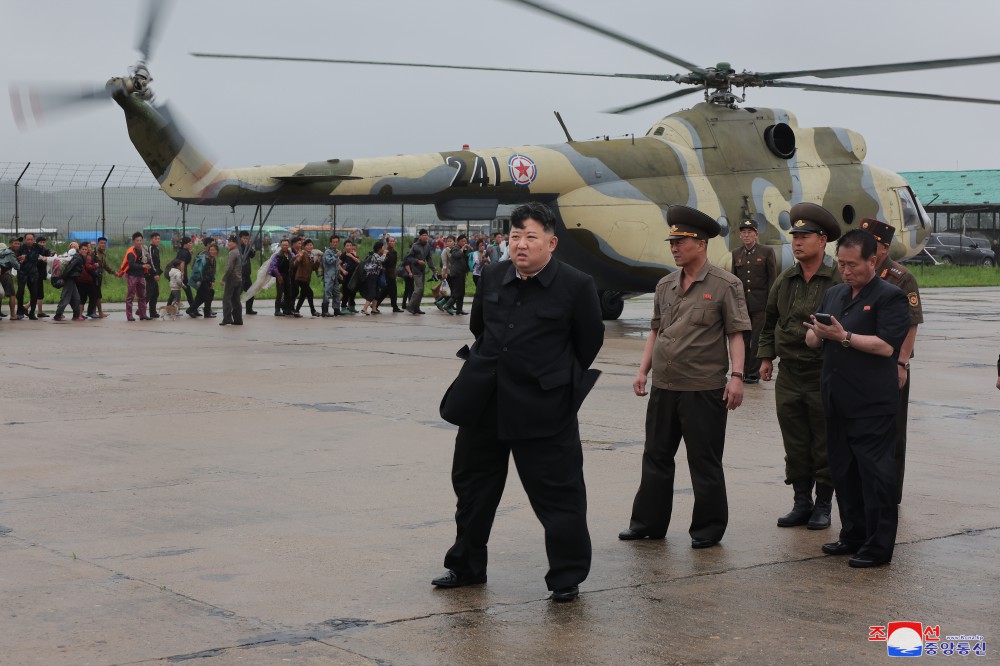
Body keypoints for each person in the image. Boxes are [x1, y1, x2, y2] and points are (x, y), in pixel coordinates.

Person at [432, 201, 604, 603]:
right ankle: (466, 566)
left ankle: (566, 576)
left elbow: (588, 344)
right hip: (484, 403)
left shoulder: (577, 285)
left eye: (530, 237)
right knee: (472, 490)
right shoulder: (492, 275)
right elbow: (480, 328)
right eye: (514, 237)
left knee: (559, 496)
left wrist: (550, 378)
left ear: (551, 241)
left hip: (543, 408)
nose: (521, 245)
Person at [619, 205, 750, 549]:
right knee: (656, 456)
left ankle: (707, 528)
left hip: (703, 389)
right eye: (672, 242)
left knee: (704, 461)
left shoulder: (726, 284)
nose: (674, 247)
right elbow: (655, 330)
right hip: (665, 385)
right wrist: (643, 370)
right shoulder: (665, 285)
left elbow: (736, 333)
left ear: (701, 243)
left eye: (681, 241)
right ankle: (647, 523)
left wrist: (736, 376)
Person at [806, 229, 909, 568]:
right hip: (837, 400)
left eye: (853, 265)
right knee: (844, 472)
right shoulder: (834, 293)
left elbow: (885, 346)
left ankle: (878, 547)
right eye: (842, 264)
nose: (846, 271)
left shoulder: (889, 296)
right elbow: (815, 340)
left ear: (873, 260)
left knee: (875, 477)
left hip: (871, 404)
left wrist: (844, 336)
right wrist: (816, 333)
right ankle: (852, 534)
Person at [757, 203, 842, 530]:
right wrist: (766, 357)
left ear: (822, 240)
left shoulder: (836, 278)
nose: (797, 242)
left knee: (823, 440)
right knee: (794, 440)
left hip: (824, 373)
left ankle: (823, 505)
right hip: (789, 374)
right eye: (795, 236)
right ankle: (801, 502)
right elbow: (770, 321)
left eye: (805, 236)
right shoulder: (786, 279)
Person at [859, 218, 924, 505]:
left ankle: (890, 494)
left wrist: (902, 364)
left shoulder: (901, 277)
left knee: (892, 432)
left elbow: (912, 324)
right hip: (860, 360)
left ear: (883, 248)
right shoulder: (859, 272)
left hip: (890, 364)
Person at [730, 218, 777, 384]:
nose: (746, 235)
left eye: (749, 232)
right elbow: (734, 281)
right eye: (743, 232)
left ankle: (753, 373)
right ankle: (741, 371)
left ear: (756, 234)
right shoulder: (736, 253)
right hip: (743, 305)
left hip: (760, 305)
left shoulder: (766, 252)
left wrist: (771, 303)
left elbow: (772, 279)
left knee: (757, 339)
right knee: (743, 339)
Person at [52, 242, 86, 322]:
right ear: (79, 250)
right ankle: (58, 315)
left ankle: (76, 315)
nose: (84, 251)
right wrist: (64, 278)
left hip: (72, 279)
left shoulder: (79, 257)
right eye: (83, 249)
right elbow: (69, 268)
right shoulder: (77, 258)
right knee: (65, 298)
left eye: (86, 249)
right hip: (69, 279)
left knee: (76, 298)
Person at [405, 229, 436, 315]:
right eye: (423, 235)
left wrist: (433, 269)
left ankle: (417, 307)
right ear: (420, 236)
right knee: (419, 288)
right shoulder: (415, 246)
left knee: (421, 290)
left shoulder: (428, 246)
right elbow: (409, 257)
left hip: (423, 270)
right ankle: (410, 305)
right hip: (416, 270)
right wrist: (418, 261)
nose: (425, 236)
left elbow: (429, 258)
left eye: (426, 235)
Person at [121, 232, 150, 322]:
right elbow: (131, 265)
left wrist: (147, 260)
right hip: (132, 275)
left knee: (142, 296)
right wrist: (143, 266)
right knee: (130, 296)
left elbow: (147, 261)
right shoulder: (130, 252)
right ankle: (129, 315)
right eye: (137, 240)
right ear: (133, 241)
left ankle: (143, 314)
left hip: (141, 275)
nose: (139, 242)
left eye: (141, 240)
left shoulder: (144, 250)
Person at [220, 236, 244, 326]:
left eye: (230, 242)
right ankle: (238, 319)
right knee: (236, 300)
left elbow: (229, 267)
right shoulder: (238, 252)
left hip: (232, 279)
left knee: (227, 299)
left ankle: (227, 319)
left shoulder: (232, 253)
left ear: (235, 243)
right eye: (228, 241)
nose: (228, 243)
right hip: (238, 279)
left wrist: (223, 278)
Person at [189, 244, 218, 318]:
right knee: (208, 296)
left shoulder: (213, 259)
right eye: (211, 250)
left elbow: (212, 272)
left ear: (217, 251)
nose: (213, 252)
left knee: (200, 297)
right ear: (208, 251)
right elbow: (202, 271)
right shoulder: (206, 259)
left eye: (214, 250)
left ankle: (190, 310)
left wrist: (212, 281)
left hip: (208, 281)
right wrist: (203, 281)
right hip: (202, 280)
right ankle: (207, 314)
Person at [293, 239, 320, 317]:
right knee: (310, 293)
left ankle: (296, 311)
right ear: (305, 247)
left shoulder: (311, 256)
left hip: (306, 279)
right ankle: (313, 311)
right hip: (301, 278)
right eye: (307, 245)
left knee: (303, 295)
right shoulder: (303, 253)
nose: (309, 246)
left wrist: (318, 261)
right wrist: (299, 257)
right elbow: (296, 263)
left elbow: (314, 268)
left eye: (311, 245)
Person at [359, 240, 387, 315]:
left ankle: (374, 308)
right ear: (379, 249)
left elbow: (378, 265)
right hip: (371, 276)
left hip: (376, 276)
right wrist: (384, 254)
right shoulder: (375, 255)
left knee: (377, 292)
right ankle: (364, 308)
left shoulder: (376, 255)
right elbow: (381, 260)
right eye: (382, 248)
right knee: (372, 292)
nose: (384, 249)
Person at [92, 236, 116, 318]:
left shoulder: (102, 253)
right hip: (93, 277)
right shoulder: (93, 252)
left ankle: (94, 312)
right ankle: (98, 313)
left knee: (96, 295)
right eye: (101, 243)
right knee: (97, 295)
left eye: (104, 243)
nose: (103, 245)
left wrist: (113, 272)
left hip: (98, 276)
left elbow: (105, 265)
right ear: (98, 243)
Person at [379, 236, 403, 312]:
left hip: (392, 274)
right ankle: (394, 307)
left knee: (387, 291)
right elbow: (383, 262)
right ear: (387, 242)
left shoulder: (394, 252)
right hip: (387, 274)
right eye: (391, 241)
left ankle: (376, 304)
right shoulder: (386, 252)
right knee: (391, 291)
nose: (392, 242)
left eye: (393, 241)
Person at [321, 235, 343, 317]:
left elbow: (336, 265)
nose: (335, 243)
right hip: (329, 277)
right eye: (334, 242)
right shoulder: (328, 252)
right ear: (330, 243)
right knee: (327, 293)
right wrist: (336, 255)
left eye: (337, 242)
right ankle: (325, 311)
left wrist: (339, 274)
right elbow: (328, 261)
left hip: (335, 277)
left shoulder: (336, 251)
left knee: (336, 293)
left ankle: (337, 310)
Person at [239, 230, 258, 315]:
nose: (246, 240)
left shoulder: (247, 246)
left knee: (251, 292)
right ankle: (232, 308)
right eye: (244, 238)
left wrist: (250, 246)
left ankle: (249, 309)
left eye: (247, 238)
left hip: (247, 274)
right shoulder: (239, 247)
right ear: (240, 238)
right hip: (240, 274)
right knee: (237, 293)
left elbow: (252, 255)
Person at [175, 236, 196, 310]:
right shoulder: (184, 252)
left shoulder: (183, 251)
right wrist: (182, 274)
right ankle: (193, 309)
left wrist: (190, 253)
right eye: (190, 243)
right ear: (185, 244)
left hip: (177, 273)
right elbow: (182, 263)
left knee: (176, 290)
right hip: (181, 274)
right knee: (187, 291)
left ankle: (193, 308)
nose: (191, 244)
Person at [340, 240, 360, 314]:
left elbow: (358, 262)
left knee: (353, 292)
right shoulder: (343, 255)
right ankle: (343, 307)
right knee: (346, 292)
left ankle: (352, 307)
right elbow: (338, 264)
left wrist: (352, 255)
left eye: (350, 245)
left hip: (353, 277)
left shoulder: (352, 255)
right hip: (346, 277)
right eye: (347, 245)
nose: (349, 247)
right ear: (345, 247)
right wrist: (343, 271)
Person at [146, 232, 163, 318]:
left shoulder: (156, 248)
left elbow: (157, 263)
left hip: (155, 273)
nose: (157, 240)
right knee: (149, 293)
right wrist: (155, 274)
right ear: (151, 239)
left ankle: (153, 312)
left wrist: (159, 272)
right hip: (150, 274)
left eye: (158, 238)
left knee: (155, 293)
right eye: (155, 238)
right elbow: (150, 261)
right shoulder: (150, 248)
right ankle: (140, 309)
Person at [0, 239, 18, 320]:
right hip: (6, 275)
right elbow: (16, 266)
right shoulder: (8, 253)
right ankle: (13, 314)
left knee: (0, 294)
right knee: (12, 294)